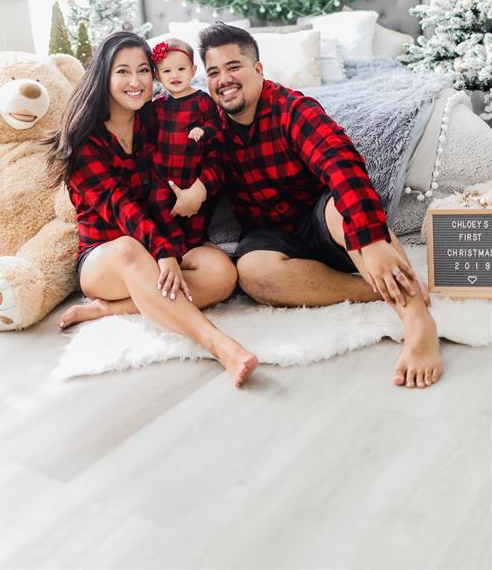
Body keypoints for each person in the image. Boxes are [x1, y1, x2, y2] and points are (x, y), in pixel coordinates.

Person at [197, 22, 442, 390]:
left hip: (320, 218)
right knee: (251, 272)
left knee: (347, 212)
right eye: (214, 72)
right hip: (269, 234)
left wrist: (373, 242)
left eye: (234, 67)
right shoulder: (209, 127)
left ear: (258, 69)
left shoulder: (293, 109)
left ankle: (418, 322)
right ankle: (374, 289)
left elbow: (342, 166)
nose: (224, 80)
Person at [45, 31, 257, 388]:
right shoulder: (86, 140)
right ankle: (218, 344)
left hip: (164, 241)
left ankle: (111, 309)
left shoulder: (156, 117)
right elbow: (120, 206)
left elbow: (211, 155)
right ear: (104, 76)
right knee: (128, 249)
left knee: (222, 272)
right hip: (106, 256)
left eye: (143, 70)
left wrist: (200, 190)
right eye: (123, 71)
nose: (136, 81)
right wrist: (162, 253)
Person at [150, 36, 223, 249]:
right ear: (157, 76)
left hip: (192, 171)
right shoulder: (157, 105)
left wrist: (204, 130)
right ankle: (175, 242)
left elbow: (216, 124)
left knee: (196, 215)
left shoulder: (202, 100)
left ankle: (194, 244)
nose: (174, 76)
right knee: (157, 203)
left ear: (193, 71)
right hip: (163, 173)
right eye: (167, 71)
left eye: (181, 69)